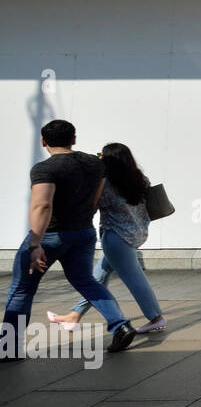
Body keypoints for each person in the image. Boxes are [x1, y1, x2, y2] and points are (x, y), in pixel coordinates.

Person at [3, 120, 135, 359]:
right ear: (73, 139)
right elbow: (95, 199)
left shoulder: (45, 169)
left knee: (22, 288)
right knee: (86, 281)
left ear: (44, 142)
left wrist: (35, 244)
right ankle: (120, 325)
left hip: (51, 236)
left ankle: (8, 348)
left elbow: (42, 205)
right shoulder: (96, 164)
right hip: (83, 233)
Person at [48, 143, 166, 334]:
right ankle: (74, 316)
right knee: (97, 277)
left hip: (115, 239)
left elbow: (92, 204)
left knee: (135, 280)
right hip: (136, 235)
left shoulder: (106, 185)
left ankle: (156, 317)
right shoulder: (141, 180)